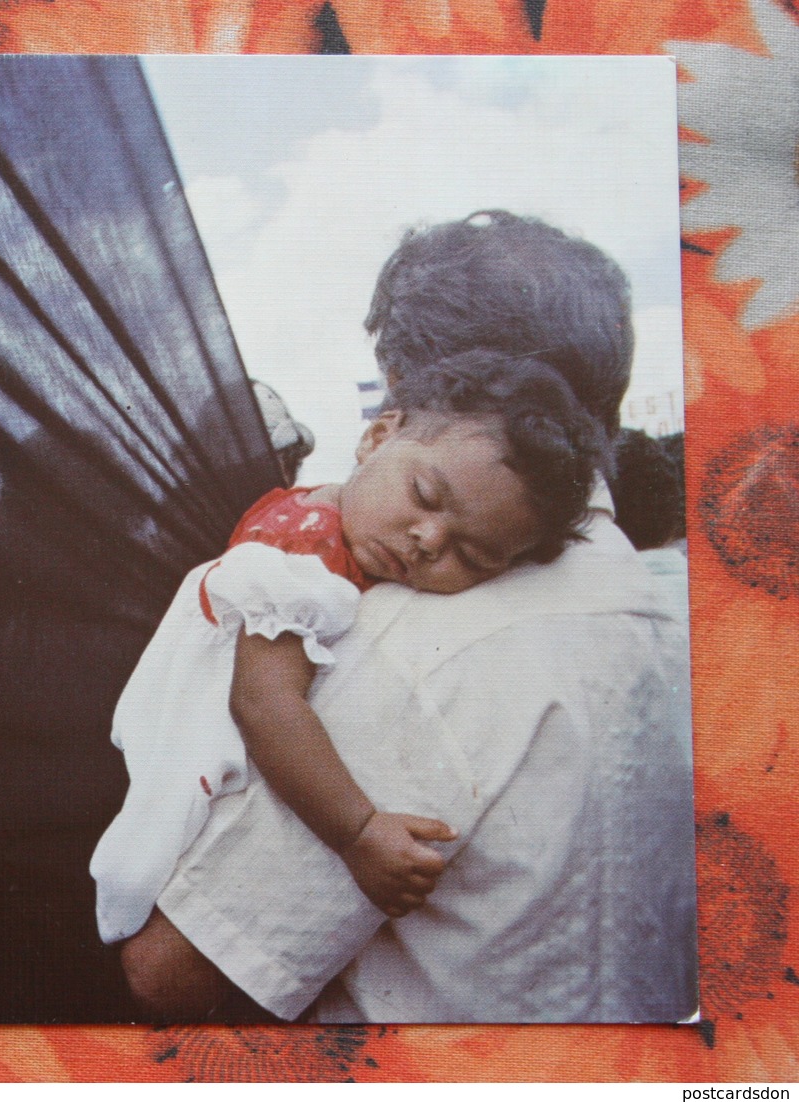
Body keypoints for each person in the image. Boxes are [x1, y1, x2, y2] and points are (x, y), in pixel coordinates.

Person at [117, 211, 698, 1024]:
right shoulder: (689, 615)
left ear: (405, 390)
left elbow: (170, 969)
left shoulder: (393, 641)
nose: (428, 543)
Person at [91, 349, 607, 943]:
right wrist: (358, 833)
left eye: (472, 556)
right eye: (425, 495)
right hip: (194, 756)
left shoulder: (327, 518)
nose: (428, 541)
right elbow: (263, 703)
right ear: (378, 435)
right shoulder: (305, 552)